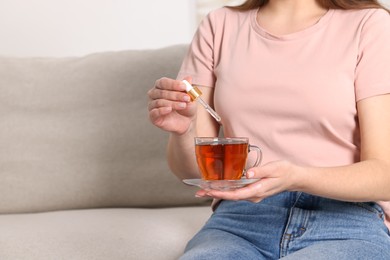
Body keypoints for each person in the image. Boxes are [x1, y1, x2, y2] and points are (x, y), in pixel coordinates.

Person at [147, 0, 390, 259]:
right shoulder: (219, 25)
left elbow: (384, 175)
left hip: (344, 222)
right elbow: (196, 172)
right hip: (239, 221)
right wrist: (184, 131)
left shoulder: (370, 24)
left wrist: (297, 177)